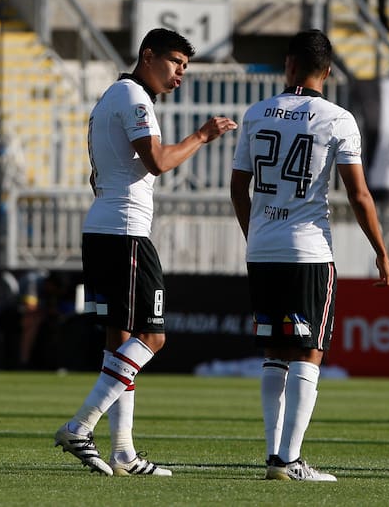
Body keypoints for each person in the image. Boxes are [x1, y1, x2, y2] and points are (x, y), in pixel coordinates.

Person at [54, 28, 237, 476]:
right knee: (152, 337)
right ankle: (80, 426)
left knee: (119, 342)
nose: (179, 75)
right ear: (148, 55)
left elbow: (99, 177)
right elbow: (156, 160)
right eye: (175, 62)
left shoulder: (110, 98)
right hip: (125, 234)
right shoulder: (134, 97)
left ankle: (122, 451)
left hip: (102, 229)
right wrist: (202, 135)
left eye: (185, 68)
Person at [230, 29, 389, 482]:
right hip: (308, 250)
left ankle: (273, 454)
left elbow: (238, 187)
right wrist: (382, 252)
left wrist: (255, 234)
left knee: (275, 351)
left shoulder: (255, 113)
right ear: (327, 70)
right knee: (309, 352)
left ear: (288, 64)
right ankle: (288, 460)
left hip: (262, 249)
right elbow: (359, 194)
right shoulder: (337, 118)